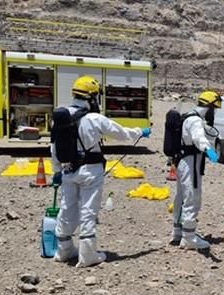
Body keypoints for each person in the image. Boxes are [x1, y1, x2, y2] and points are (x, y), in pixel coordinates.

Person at [50, 75, 151, 268]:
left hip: (67, 171)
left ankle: (63, 251)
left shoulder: (60, 117)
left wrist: (56, 170)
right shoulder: (94, 119)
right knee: (89, 210)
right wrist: (140, 132)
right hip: (90, 171)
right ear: (92, 97)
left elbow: (54, 147)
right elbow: (122, 134)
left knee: (67, 207)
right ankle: (87, 255)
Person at [170, 91, 220, 250]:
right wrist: (208, 150)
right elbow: (199, 138)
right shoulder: (195, 121)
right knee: (192, 197)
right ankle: (189, 238)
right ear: (210, 107)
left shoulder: (187, 116)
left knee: (181, 197)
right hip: (191, 162)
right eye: (214, 109)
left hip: (181, 161)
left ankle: (178, 232)